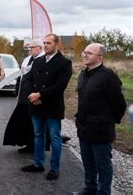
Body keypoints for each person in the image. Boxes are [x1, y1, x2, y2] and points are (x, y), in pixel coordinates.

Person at [75, 43, 126, 195]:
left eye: (89, 53)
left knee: (102, 165)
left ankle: (103, 192)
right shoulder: (83, 74)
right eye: (84, 52)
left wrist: (107, 121)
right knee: (88, 162)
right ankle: (90, 189)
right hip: (84, 128)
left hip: (101, 131)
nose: (84, 55)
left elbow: (120, 104)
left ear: (100, 57)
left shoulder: (108, 77)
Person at [21, 33, 73, 181]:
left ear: (57, 45)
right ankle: (38, 164)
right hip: (36, 105)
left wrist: (40, 94)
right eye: (44, 43)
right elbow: (28, 79)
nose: (45, 45)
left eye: (49, 43)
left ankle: (54, 169)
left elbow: (60, 86)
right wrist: (32, 94)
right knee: (38, 135)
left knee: (55, 137)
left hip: (52, 106)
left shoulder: (64, 63)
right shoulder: (38, 61)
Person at [3, 39, 45, 153]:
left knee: (34, 125)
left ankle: (35, 147)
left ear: (40, 48)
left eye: (32, 48)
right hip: (23, 97)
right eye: (29, 48)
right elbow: (21, 77)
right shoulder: (27, 59)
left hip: (35, 97)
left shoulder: (44, 59)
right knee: (24, 122)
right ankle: (28, 145)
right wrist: (18, 93)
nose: (30, 50)